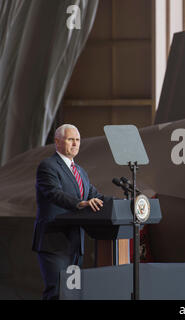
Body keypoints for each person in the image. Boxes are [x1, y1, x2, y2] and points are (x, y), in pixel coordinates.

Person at [32, 124, 104, 300]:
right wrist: (81, 203)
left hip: (75, 244)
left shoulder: (80, 172)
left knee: (72, 294)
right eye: (70, 139)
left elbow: (96, 196)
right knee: (57, 293)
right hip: (54, 242)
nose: (75, 144)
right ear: (57, 142)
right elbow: (54, 194)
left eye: (78, 140)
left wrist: (124, 203)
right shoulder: (48, 166)